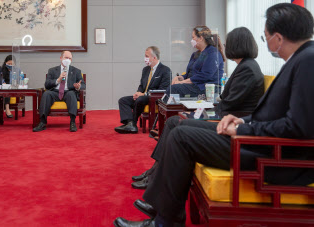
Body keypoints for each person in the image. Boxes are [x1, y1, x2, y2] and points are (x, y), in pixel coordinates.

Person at [114, 3, 314, 227]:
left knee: (182, 137)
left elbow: (298, 127)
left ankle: (164, 222)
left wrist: (243, 128)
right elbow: (277, 117)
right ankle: (160, 206)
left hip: (272, 155)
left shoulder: (307, 61)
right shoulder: (301, 59)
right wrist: (242, 121)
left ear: (277, 37)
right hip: (259, 143)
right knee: (179, 126)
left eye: (264, 35)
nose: (265, 41)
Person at [132, 26, 264, 190]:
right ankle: (154, 172)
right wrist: (197, 111)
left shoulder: (247, 69)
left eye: (228, 42)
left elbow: (227, 106)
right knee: (174, 120)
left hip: (227, 122)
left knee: (176, 122)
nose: (224, 45)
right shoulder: (244, 67)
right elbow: (225, 103)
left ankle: (155, 176)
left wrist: (198, 113)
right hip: (222, 115)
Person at [114, 46, 171, 134]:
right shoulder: (145, 69)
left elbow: (163, 90)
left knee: (140, 99)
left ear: (154, 57)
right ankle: (129, 123)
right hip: (143, 96)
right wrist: (138, 92)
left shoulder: (165, 70)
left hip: (154, 98)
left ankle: (132, 123)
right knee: (123, 100)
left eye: (147, 56)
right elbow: (141, 85)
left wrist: (144, 95)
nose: (145, 58)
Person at [33, 51, 85, 132]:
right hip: (55, 92)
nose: (68, 60)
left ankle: (72, 122)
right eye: (66, 58)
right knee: (46, 94)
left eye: (70, 58)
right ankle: (42, 122)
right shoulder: (52, 70)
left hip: (68, 92)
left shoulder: (76, 71)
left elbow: (83, 85)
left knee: (71, 94)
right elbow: (47, 84)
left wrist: (78, 86)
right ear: (61, 58)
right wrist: (58, 80)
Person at [167, 26, 225, 98]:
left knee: (173, 89)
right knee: (172, 87)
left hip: (205, 88)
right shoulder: (196, 54)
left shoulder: (212, 53)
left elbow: (205, 75)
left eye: (193, 37)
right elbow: (190, 74)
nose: (192, 40)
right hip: (195, 85)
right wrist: (181, 77)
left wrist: (182, 82)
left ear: (201, 38)